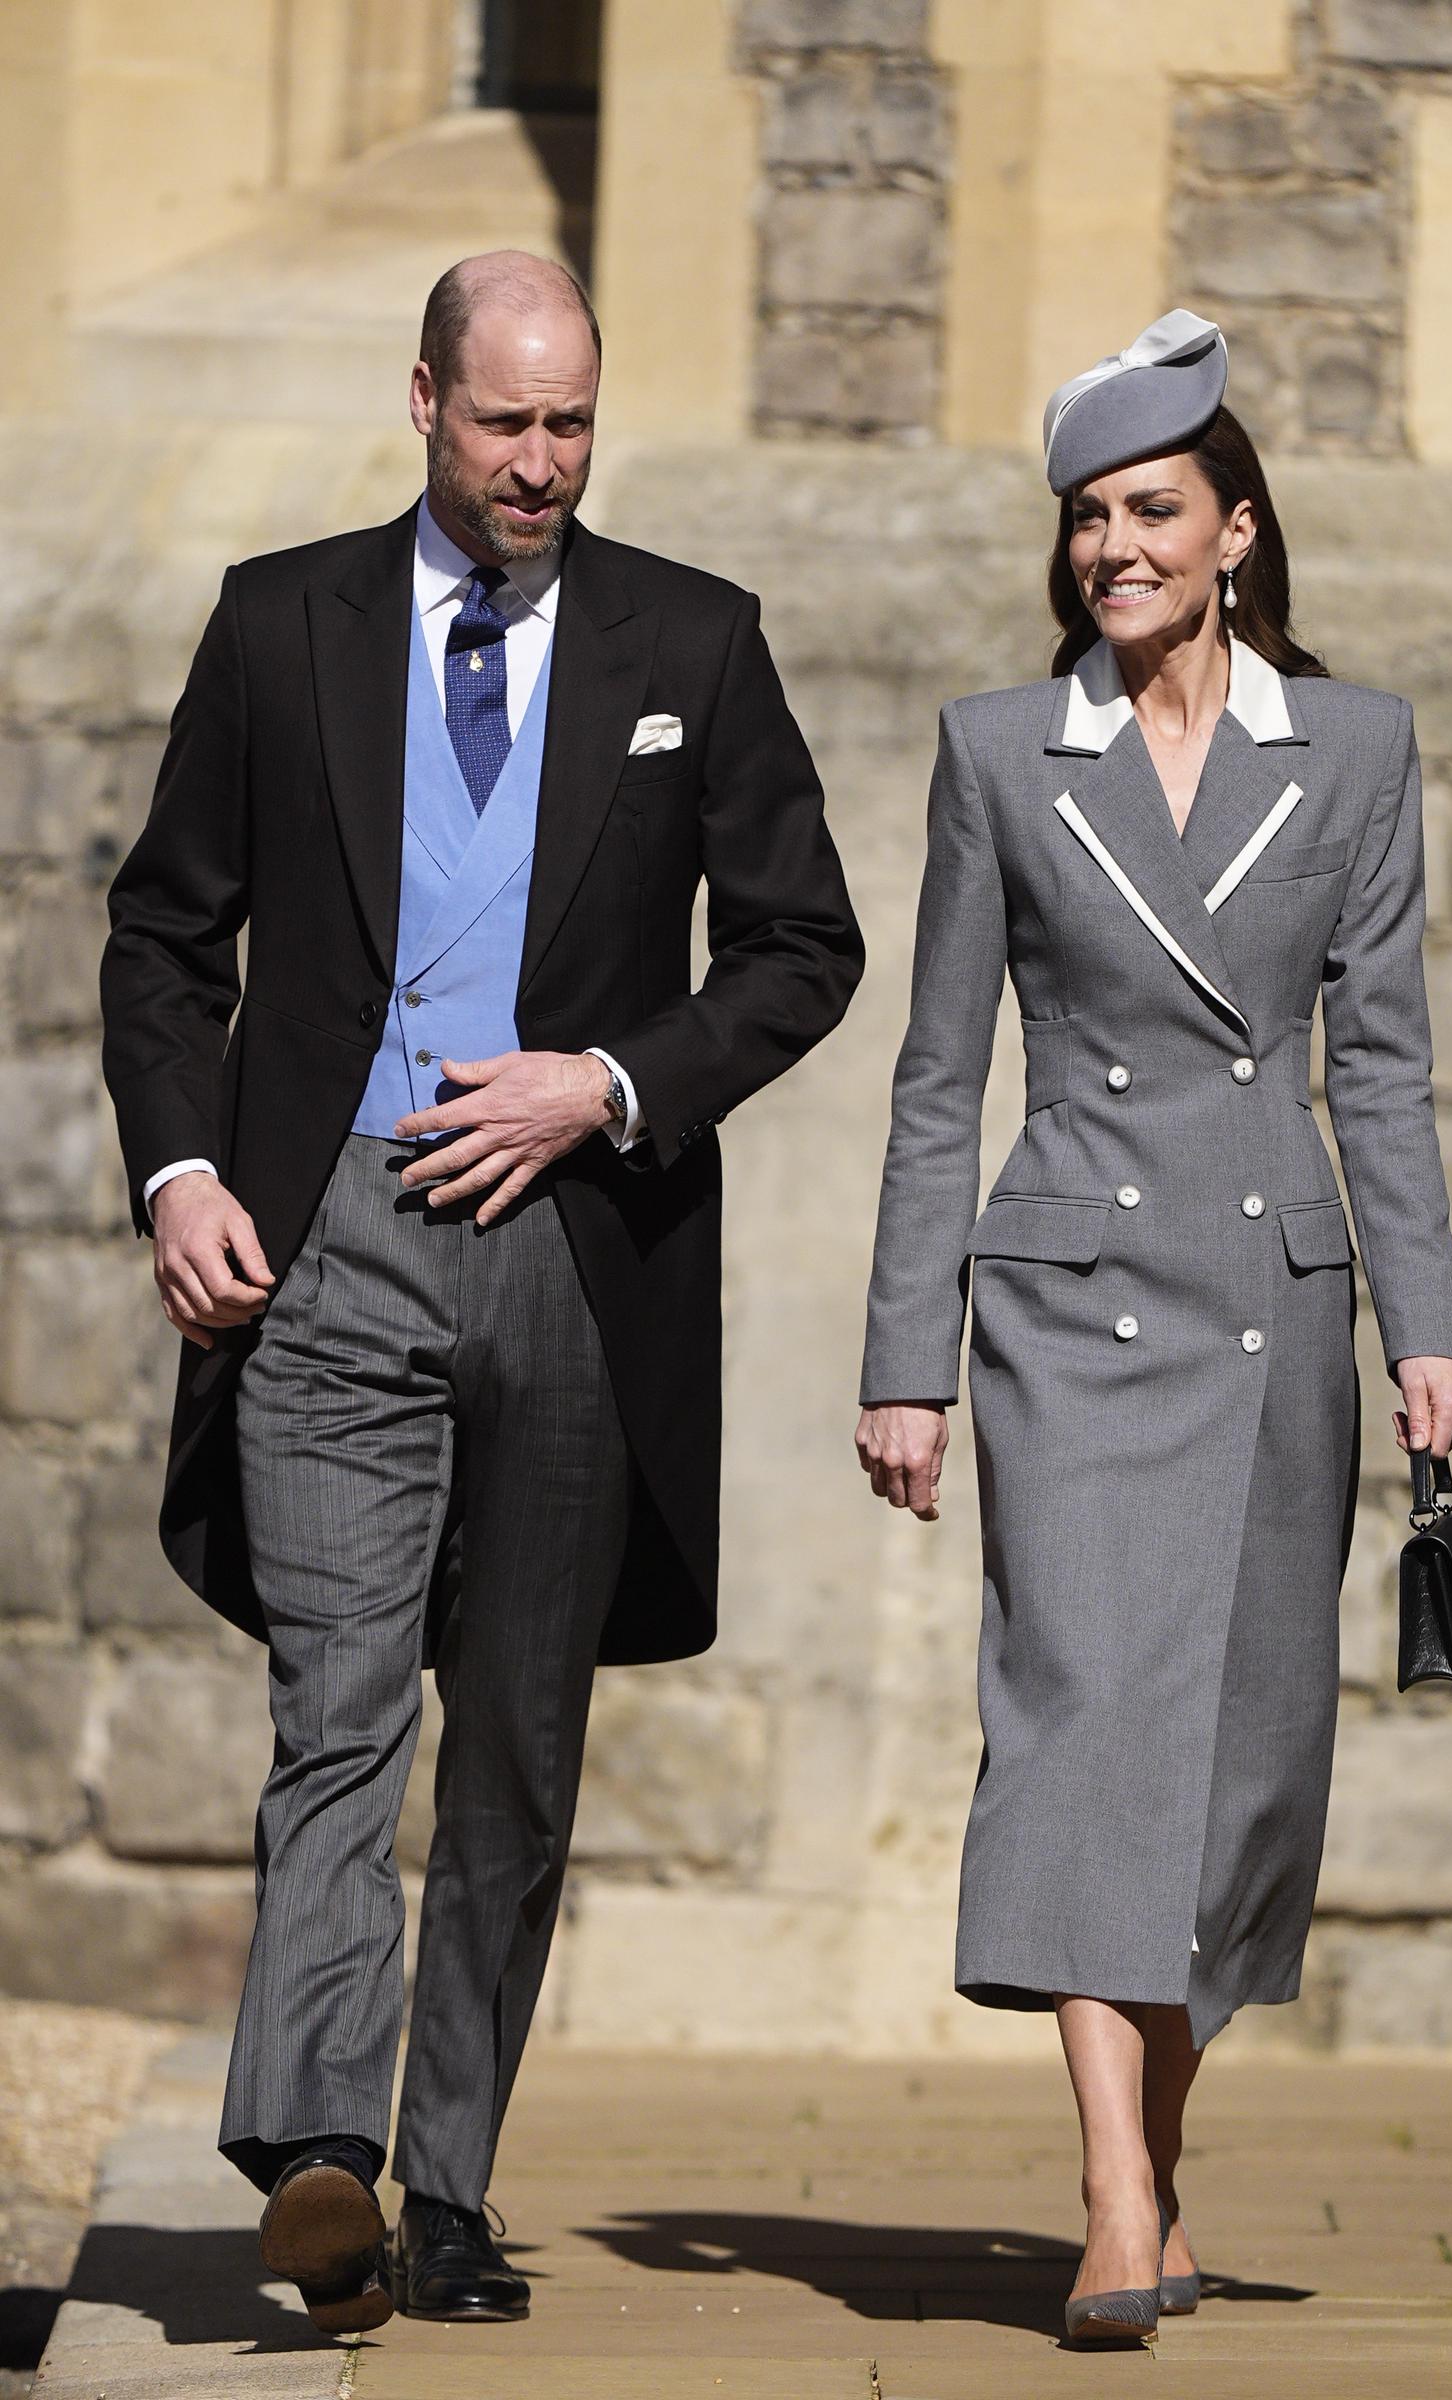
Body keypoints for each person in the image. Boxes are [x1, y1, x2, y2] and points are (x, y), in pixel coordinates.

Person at [101, 250, 863, 2335]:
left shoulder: (692, 641)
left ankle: (447, 2184)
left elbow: (799, 945)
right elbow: (164, 934)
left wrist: (603, 1083)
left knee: (517, 1746)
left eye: (572, 423)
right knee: (336, 1709)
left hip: (577, 1263)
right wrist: (180, 1171)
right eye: (507, 419)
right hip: (322, 1244)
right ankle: (320, 2152)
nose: (542, 461)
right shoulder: (280, 623)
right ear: (424, 400)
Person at [855, 310, 1452, 2347]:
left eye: (1147, 511)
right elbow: (936, 1076)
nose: (1110, 547)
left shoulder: (1355, 749)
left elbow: (1379, 1068)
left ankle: (1160, 2151)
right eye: (1084, 518)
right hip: (1067, 1310)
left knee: (1237, 1773)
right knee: (1079, 1728)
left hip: (1271, 1306)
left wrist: (1423, 1326)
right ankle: (1113, 2192)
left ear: (1232, 529)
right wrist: (906, 1359)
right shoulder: (999, 753)